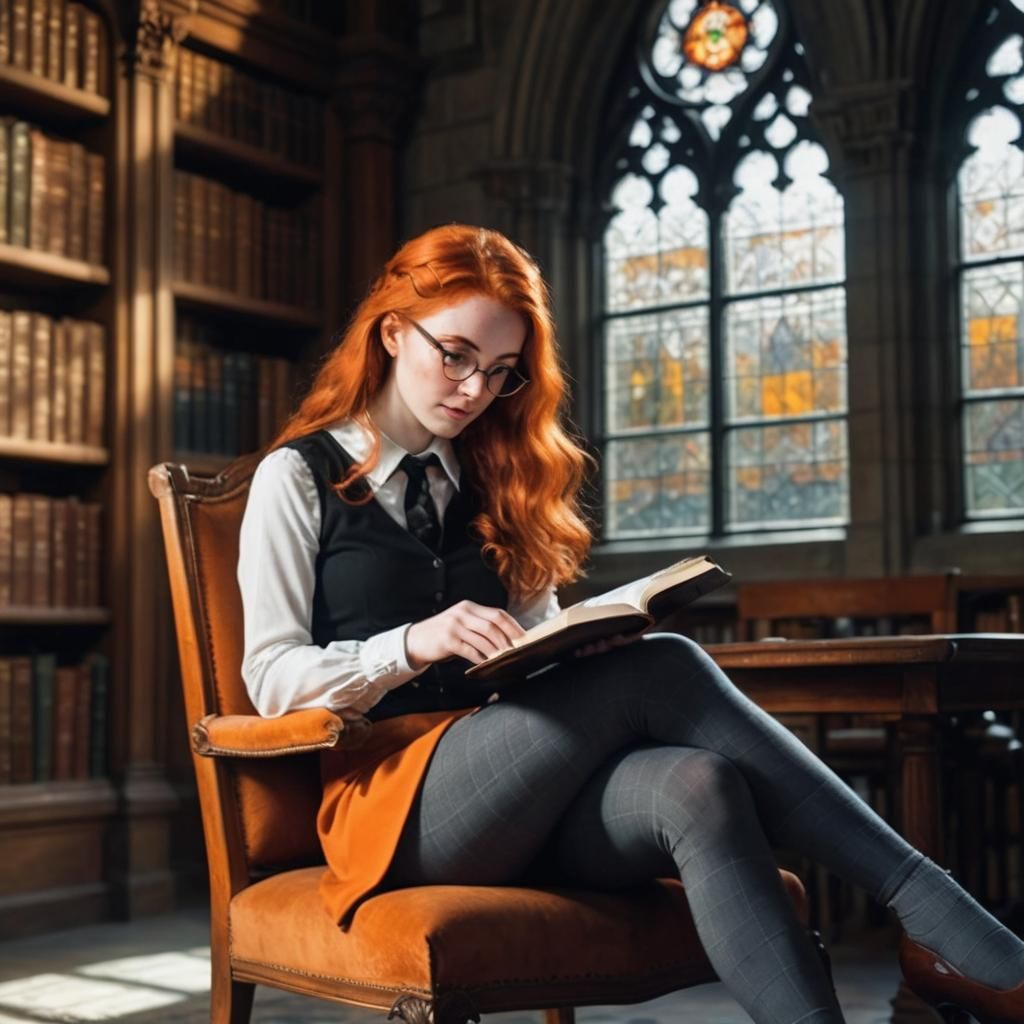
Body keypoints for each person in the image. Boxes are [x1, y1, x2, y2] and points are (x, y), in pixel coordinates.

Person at [237, 223, 1024, 1024]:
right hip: (390, 812)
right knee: (667, 666)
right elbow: (268, 679)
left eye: (500, 372)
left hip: (521, 792)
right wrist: (411, 644)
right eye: (457, 355)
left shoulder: (495, 480)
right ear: (393, 331)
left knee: (699, 785)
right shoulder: (295, 477)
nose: (474, 389)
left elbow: (530, 653)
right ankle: (940, 915)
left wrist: (584, 650)